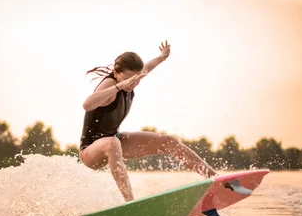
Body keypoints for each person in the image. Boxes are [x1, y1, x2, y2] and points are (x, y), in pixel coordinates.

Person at [79, 40, 217, 201]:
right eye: (128, 79)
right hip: (91, 151)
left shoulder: (131, 79)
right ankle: (130, 203)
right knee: (111, 142)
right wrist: (119, 86)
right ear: (116, 74)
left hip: (114, 141)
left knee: (168, 141)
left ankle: (215, 179)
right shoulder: (111, 84)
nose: (133, 83)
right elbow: (87, 104)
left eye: (137, 79)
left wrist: (161, 57)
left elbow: (147, 67)